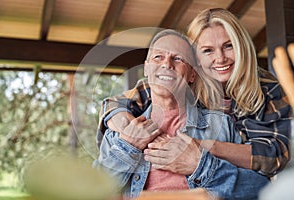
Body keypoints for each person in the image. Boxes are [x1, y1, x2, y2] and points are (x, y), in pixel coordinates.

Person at [100, 8, 292, 177]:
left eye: (228, 46)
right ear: (195, 58)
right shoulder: (183, 80)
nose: (220, 58)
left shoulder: (267, 87)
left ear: (242, 46)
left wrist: (202, 148)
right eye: (208, 50)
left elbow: (274, 156)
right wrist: (130, 134)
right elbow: (114, 105)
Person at [94, 29, 269, 200]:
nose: (166, 64)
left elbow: (260, 189)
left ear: (192, 74)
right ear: (146, 68)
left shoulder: (221, 125)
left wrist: (200, 166)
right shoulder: (121, 130)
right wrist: (128, 146)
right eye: (158, 57)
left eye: (178, 58)